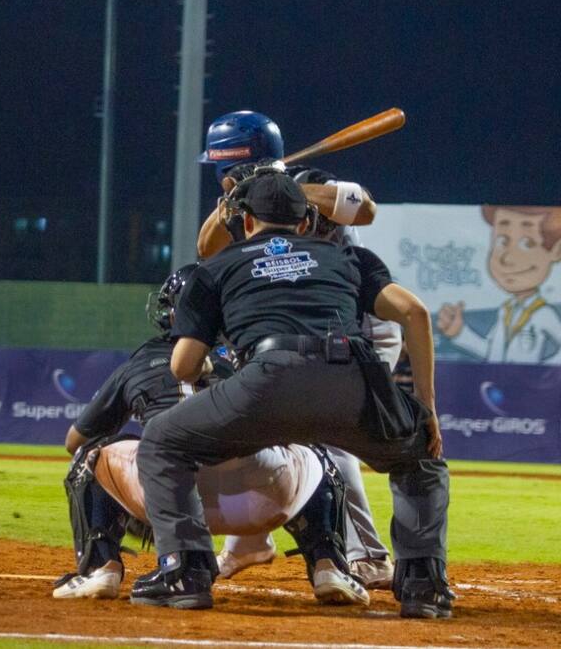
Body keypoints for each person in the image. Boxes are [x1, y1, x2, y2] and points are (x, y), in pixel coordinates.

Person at [132, 170, 452, 618]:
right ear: (305, 222)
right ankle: (424, 585)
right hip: (350, 379)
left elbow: (183, 366)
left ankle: (185, 572)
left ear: (246, 222)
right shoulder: (349, 257)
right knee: (420, 455)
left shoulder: (215, 269)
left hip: (266, 384)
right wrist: (426, 407)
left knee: (162, 441)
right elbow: (415, 314)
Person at [54, 267, 368, 606]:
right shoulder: (251, 351)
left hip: (167, 497)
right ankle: (328, 566)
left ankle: (101, 568)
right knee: (317, 452)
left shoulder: (140, 361)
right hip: (257, 500)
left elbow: (74, 441)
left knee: (91, 455)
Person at [195, 111, 396, 589]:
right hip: (302, 331)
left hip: (360, 324)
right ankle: (247, 542)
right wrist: (248, 193)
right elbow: (207, 247)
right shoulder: (240, 201)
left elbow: (366, 209)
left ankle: (369, 556)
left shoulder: (312, 181)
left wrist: (286, 187)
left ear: (230, 161)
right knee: (263, 423)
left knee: (325, 432)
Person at [436, 205, 561, 364]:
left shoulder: (544, 314)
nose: (507, 258)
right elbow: (493, 353)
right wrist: (460, 333)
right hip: (498, 378)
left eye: (527, 244)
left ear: (556, 251)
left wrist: (543, 372)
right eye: (502, 241)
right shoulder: (505, 311)